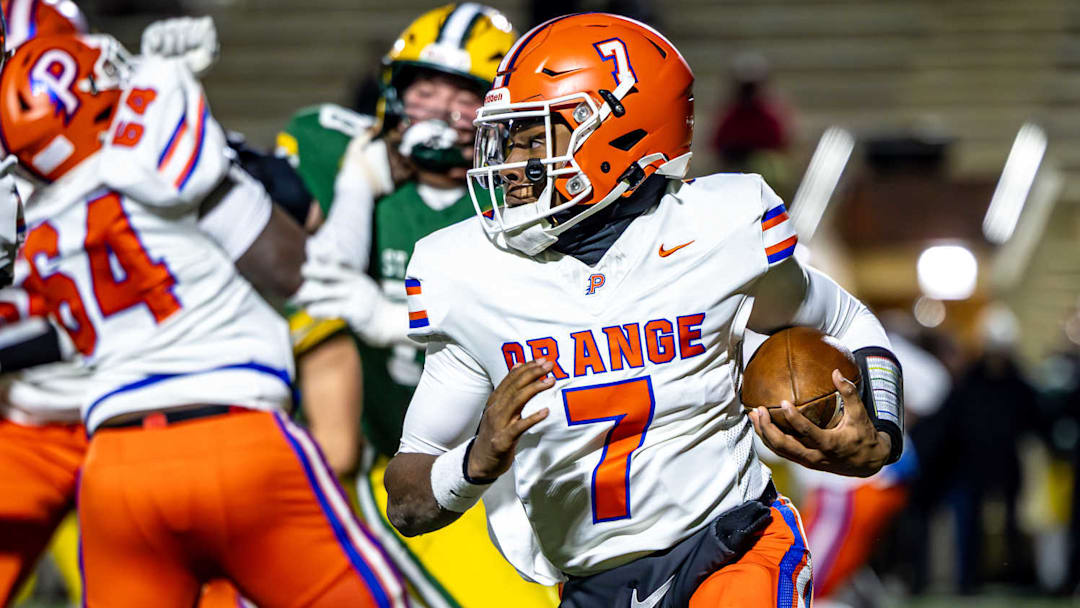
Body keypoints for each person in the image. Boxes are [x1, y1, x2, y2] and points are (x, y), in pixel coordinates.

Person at [300, 12, 904, 606]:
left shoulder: (720, 228)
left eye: (536, 137)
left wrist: (882, 429)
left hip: (731, 544)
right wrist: (476, 460)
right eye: (508, 138)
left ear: (623, 136)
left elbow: (847, 321)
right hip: (589, 582)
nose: (506, 164)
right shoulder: (469, 272)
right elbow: (407, 499)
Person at [0, 32, 404, 607]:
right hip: (232, 431)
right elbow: (290, 269)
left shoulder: (35, 225)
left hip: (114, 466)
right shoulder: (157, 148)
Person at [288, 4, 559, 606]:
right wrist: (357, 186)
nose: (438, 107)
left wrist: (395, 321)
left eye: (463, 93)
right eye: (424, 86)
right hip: (391, 466)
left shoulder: (526, 201)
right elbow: (311, 283)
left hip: (509, 471)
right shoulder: (344, 164)